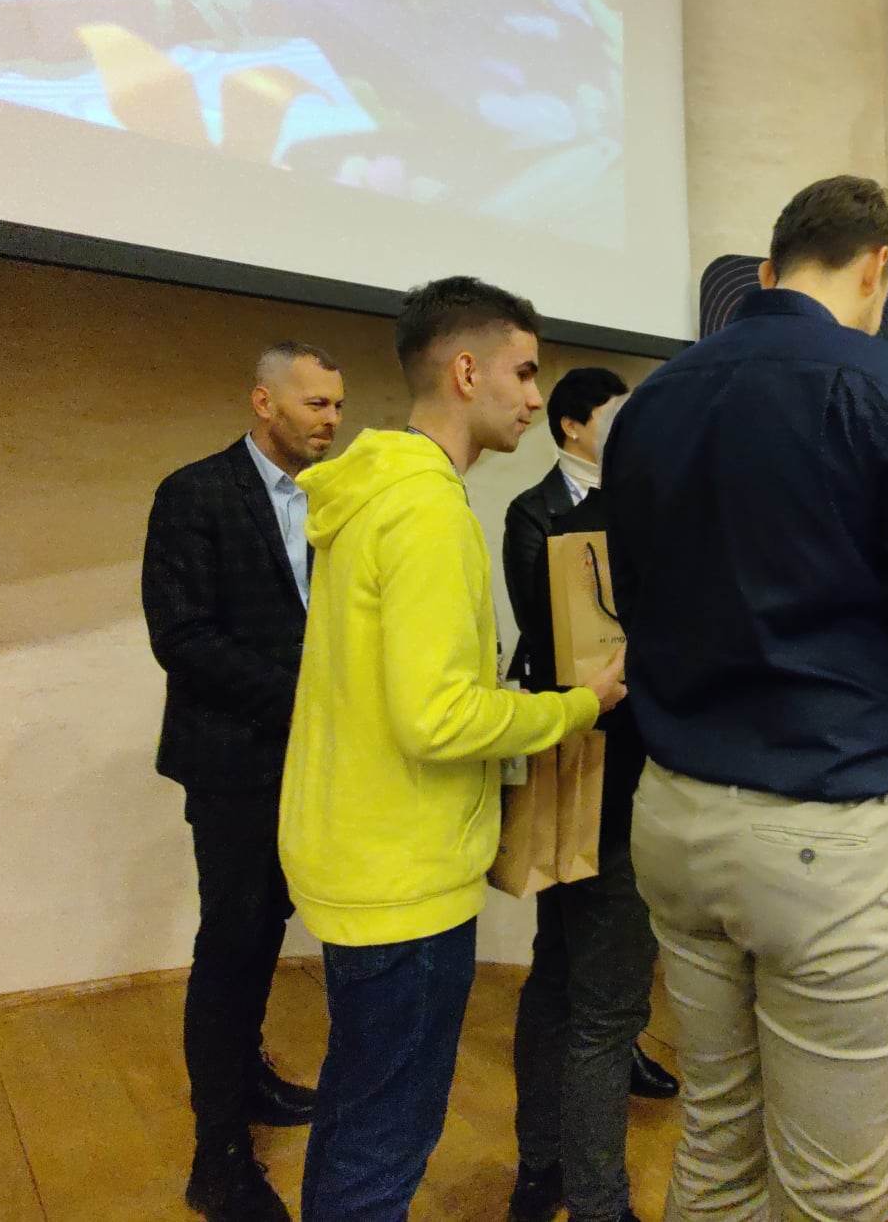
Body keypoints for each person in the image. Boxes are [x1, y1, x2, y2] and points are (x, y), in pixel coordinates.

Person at [604, 175, 888, 1220]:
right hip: (830, 838)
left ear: (768, 270)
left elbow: (633, 603)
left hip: (676, 816)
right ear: (878, 268)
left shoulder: (653, 399)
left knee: (716, 1141)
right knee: (836, 1194)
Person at [279, 278, 628, 1222]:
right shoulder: (427, 509)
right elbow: (436, 719)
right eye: (525, 373)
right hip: (406, 871)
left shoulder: (376, 491)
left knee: (358, 1114)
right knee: (383, 1142)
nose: (534, 398)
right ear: (466, 371)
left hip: (361, 852)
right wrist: (573, 708)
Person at [142, 340, 344, 1222]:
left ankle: (248, 1076)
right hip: (232, 763)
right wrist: (314, 699)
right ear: (264, 402)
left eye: (337, 405)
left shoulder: (336, 499)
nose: (331, 420)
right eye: (315, 403)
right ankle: (217, 1155)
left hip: (310, 765)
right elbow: (182, 637)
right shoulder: (194, 493)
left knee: (266, 930)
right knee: (230, 942)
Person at [502, 368, 662, 1222]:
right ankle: (586, 1193)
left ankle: (548, 1165)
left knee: (578, 983)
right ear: (572, 426)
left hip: (627, 770)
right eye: (617, 417)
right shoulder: (536, 514)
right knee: (586, 992)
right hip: (584, 771)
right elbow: (552, 634)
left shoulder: (639, 506)